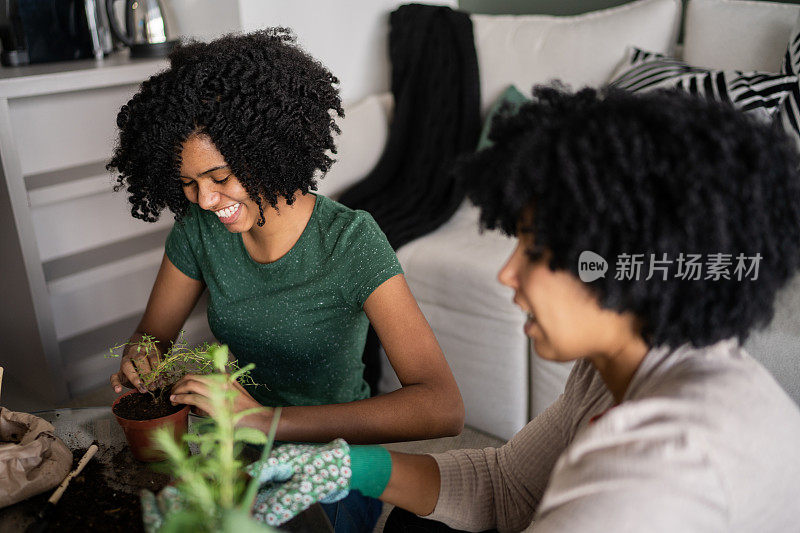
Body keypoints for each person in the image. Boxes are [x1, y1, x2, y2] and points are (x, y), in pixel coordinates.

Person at [246, 86, 800, 532]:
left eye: (535, 249)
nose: (507, 273)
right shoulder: (615, 369)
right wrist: (362, 467)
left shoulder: (667, 466)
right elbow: (506, 487)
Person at [106, 30, 464, 532]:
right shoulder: (200, 231)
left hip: (329, 465)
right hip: (234, 447)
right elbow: (152, 337)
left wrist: (266, 420)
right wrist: (141, 357)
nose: (204, 201)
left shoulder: (350, 242)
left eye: (220, 178)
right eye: (188, 183)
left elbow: (442, 407)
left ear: (265, 149)